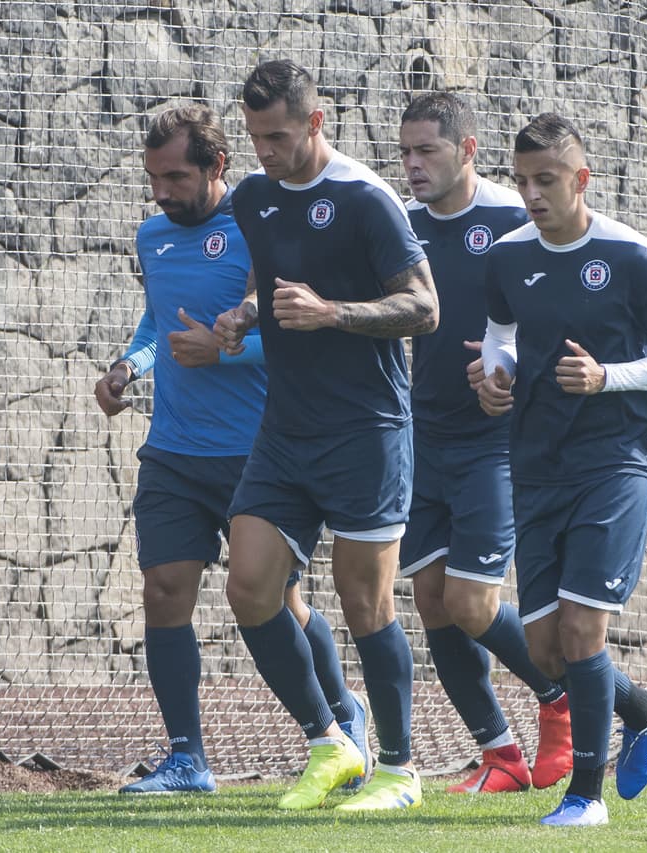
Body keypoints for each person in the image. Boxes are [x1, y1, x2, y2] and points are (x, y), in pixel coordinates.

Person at [96, 103, 368, 795]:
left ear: (217, 166)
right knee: (163, 591)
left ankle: (344, 718)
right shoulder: (151, 235)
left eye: (176, 177)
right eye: (153, 177)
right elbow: (161, 320)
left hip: (259, 454)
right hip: (174, 452)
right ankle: (188, 758)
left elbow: (289, 331)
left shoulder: (259, 226)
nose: (161, 191)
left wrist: (221, 356)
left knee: (280, 601)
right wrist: (132, 366)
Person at [214, 59, 438, 813]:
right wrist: (247, 312)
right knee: (249, 582)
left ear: (316, 121)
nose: (264, 152)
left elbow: (423, 307)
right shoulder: (253, 198)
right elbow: (269, 277)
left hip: (365, 430)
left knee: (365, 600)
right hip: (285, 428)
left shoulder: (366, 199)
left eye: (276, 136)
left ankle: (401, 769)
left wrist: (334, 312)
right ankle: (331, 742)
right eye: (253, 138)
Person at [471, 112, 647, 826]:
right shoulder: (508, 256)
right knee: (546, 653)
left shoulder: (633, 257)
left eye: (547, 180)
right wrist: (494, 375)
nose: (533, 194)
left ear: (582, 180)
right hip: (536, 464)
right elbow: (500, 337)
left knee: (581, 633)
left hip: (614, 463)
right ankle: (641, 707)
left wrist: (608, 377)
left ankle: (585, 797)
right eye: (522, 181)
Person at [396, 92, 573, 795]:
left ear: (467, 151)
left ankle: (563, 701)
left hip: (495, 444)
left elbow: (566, 323)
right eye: (405, 151)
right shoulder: (399, 224)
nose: (412, 164)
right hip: (419, 437)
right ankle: (499, 751)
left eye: (427, 151)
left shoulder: (512, 220)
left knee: (471, 603)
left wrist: (510, 366)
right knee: (433, 600)